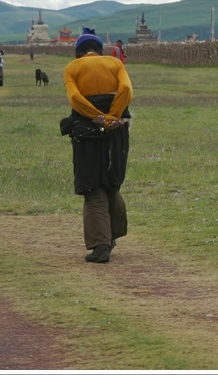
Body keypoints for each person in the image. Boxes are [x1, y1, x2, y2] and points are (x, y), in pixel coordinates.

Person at [61, 27, 133, 264]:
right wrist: (113, 116)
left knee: (93, 187)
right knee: (111, 184)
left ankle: (101, 246)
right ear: (99, 50)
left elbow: (75, 99)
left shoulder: (72, 69)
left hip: (87, 135)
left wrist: (96, 116)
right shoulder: (115, 64)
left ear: (78, 52)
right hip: (117, 133)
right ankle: (112, 235)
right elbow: (125, 90)